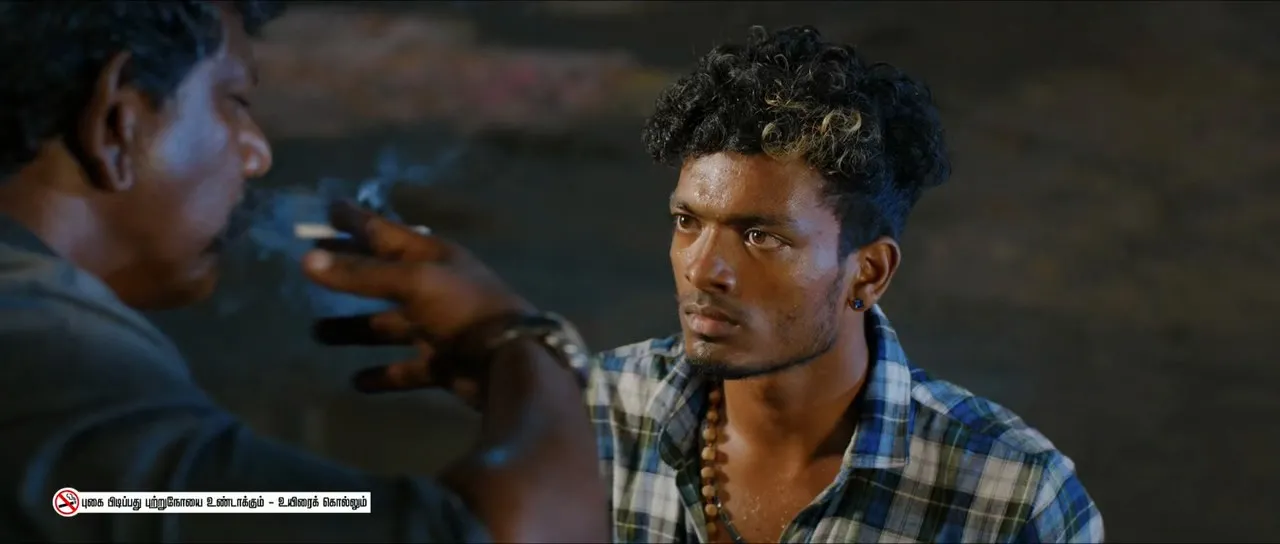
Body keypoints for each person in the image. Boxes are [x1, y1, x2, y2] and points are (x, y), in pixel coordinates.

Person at [0, 2, 606, 542]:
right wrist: (516, 339)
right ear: (119, 122)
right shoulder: (40, 340)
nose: (257, 154)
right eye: (234, 101)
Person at [583, 26, 1104, 543]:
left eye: (762, 236)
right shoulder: (591, 414)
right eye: (687, 222)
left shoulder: (1013, 499)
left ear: (869, 272)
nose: (701, 270)